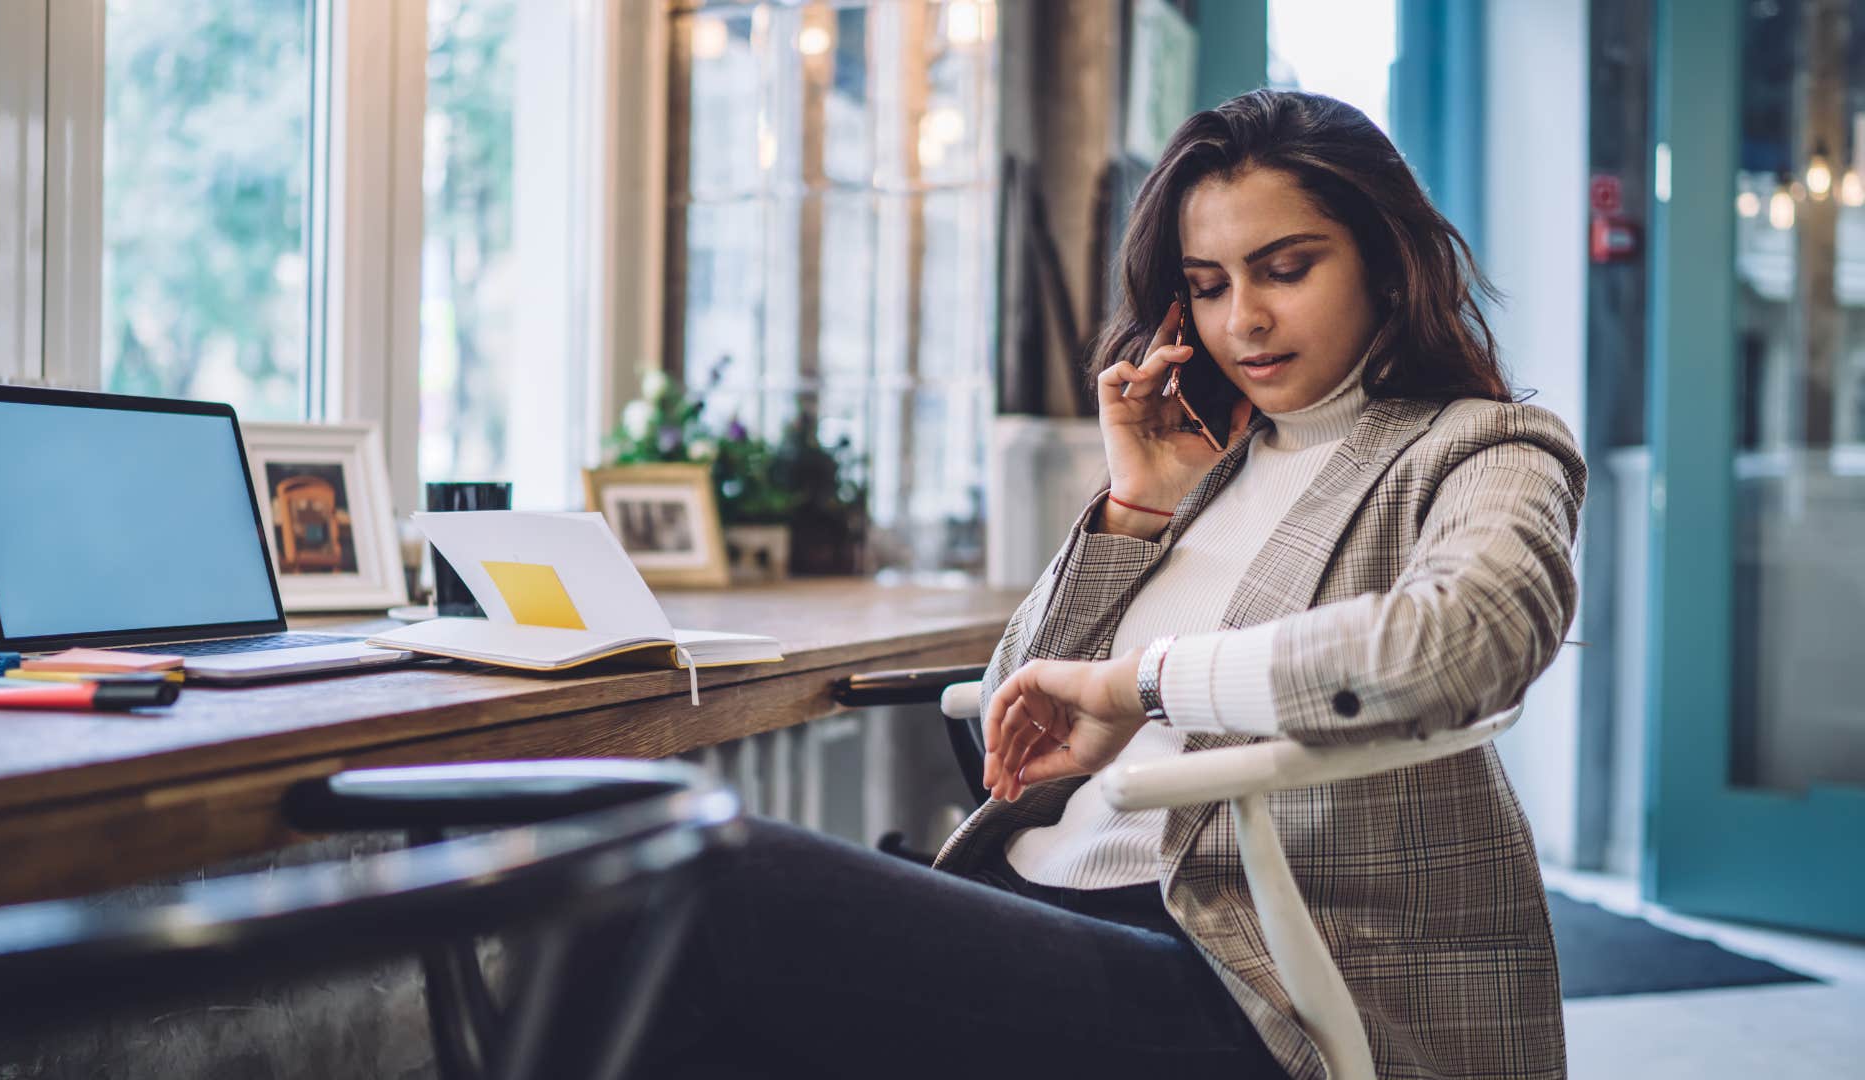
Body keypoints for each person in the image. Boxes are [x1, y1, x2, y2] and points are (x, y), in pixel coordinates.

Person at [634, 89, 1583, 1080]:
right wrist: (1137, 509)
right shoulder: (1209, 467)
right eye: (1206, 286)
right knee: (659, 936)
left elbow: (1462, 643)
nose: (1243, 320)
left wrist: (1142, 683)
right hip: (1038, 896)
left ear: (1387, 264)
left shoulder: (1483, 449)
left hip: (1245, 971)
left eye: (1286, 269)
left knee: (706, 877)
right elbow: (1020, 694)